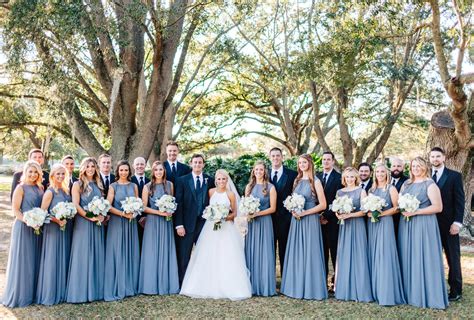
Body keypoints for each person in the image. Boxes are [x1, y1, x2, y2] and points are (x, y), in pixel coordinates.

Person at [180, 169, 252, 300]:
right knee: (208, 254)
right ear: (215, 180)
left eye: (223, 179)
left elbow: (234, 214)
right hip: (210, 228)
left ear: (227, 180)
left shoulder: (230, 194)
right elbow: (207, 208)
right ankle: (204, 284)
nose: (221, 181)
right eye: (219, 179)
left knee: (226, 255)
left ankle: (228, 286)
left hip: (226, 228)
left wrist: (223, 217)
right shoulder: (210, 192)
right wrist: (213, 215)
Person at [398, 157, 448, 309]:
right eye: (413, 166)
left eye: (419, 166)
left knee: (423, 257)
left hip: (424, 225)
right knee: (407, 256)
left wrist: (416, 211)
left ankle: (425, 294)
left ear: (425, 167)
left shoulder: (430, 184)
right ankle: (408, 293)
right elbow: (400, 203)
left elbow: (438, 207)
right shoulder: (406, 183)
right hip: (406, 225)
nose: (416, 168)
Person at [281, 155, 327, 300]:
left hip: (310, 220)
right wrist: (292, 209)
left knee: (310, 252)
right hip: (297, 220)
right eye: (300, 162)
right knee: (297, 251)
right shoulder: (297, 180)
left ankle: (311, 288)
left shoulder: (316, 181)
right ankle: (295, 286)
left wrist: (305, 212)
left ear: (310, 163)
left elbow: (323, 205)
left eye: (304, 162)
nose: (302, 164)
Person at [2, 161, 44, 308]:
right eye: (30, 172)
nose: (33, 175)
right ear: (25, 172)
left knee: (35, 259)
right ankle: (21, 295)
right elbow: (16, 210)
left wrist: (38, 220)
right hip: (24, 227)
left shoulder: (40, 187)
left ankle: (33, 293)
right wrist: (28, 221)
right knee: (23, 260)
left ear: (39, 173)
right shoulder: (20, 188)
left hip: (38, 227)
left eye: (36, 172)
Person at [66, 157, 106, 303]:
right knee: (82, 254)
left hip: (97, 224)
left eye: (93, 166)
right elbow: (76, 205)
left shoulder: (99, 184)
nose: (90, 169)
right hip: (83, 223)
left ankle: (95, 290)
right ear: (83, 168)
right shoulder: (77, 184)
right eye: (87, 166)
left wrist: (101, 215)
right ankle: (80, 291)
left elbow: (103, 203)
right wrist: (90, 216)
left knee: (96, 253)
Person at [366, 164, 405, 306]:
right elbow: (367, 208)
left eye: (382, 171)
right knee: (374, 254)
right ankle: (375, 290)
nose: (380, 174)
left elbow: (397, 207)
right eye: (377, 171)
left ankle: (386, 292)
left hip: (385, 223)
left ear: (387, 174)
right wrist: (370, 212)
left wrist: (380, 213)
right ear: (374, 173)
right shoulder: (371, 189)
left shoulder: (391, 188)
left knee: (384, 255)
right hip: (372, 224)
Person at [138, 161, 179, 295]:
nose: (159, 172)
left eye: (161, 170)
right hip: (153, 222)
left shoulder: (170, 185)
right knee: (152, 251)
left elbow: (172, 202)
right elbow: (143, 207)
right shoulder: (147, 187)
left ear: (164, 171)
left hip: (166, 222)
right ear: (153, 172)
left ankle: (166, 283)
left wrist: (169, 209)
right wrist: (159, 212)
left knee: (165, 249)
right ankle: (150, 285)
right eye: (156, 170)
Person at [429, 147, 464, 302]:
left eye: (438, 156)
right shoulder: (425, 176)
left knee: (453, 258)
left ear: (443, 158)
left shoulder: (454, 176)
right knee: (430, 258)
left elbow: (459, 201)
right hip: (428, 225)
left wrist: (457, 222)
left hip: (449, 225)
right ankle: (433, 288)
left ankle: (456, 290)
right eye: (433, 156)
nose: (435, 159)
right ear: (429, 158)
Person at [36, 164, 73, 305]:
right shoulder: (50, 192)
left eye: (63, 174)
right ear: (52, 176)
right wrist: (57, 220)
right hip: (53, 229)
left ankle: (63, 290)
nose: (60, 176)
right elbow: (42, 212)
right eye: (58, 174)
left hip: (65, 228)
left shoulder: (66, 191)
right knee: (53, 257)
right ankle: (51, 292)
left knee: (64, 256)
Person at [174, 154, 215, 284]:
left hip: (204, 224)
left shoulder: (210, 180)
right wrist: (179, 224)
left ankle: (203, 282)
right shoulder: (182, 180)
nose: (197, 165)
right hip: (186, 224)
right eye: (195, 162)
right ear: (191, 164)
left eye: (200, 162)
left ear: (203, 164)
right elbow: (178, 203)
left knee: (204, 254)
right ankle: (183, 282)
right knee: (184, 255)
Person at [334, 167, 373, 303]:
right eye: (347, 177)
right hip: (345, 227)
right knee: (344, 255)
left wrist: (349, 214)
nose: (349, 179)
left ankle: (360, 289)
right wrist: (338, 214)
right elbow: (336, 207)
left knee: (358, 255)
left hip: (357, 225)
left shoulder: (361, 191)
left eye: (352, 177)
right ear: (343, 178)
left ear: (356, 178)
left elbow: (364, 210)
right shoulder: (339, 192)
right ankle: (344, 289)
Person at [104, 160, 140, 301]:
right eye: (121, 170)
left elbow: (138, 203)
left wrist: (134, 212)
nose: (123, 172)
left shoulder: (134, 186)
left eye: (126, 170)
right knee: (117, 251)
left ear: (129, 172)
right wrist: (123, 214)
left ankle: (130, 284)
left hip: (131, 223)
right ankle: (117, 284)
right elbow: (108, 205)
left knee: (130, 251)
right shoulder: (113, 186)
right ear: (117, 171)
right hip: (117, 222)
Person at [245, 161, 277, 296]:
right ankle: (250, 285)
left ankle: (265, 286)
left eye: (261, 170)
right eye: (256, 169)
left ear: (265, 172)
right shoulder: (249, 187)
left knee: (264, 252)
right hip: (252, 224)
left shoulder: (270, 187)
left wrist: (257, 213)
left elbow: (273, 208)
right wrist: (248, 213)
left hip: (264, 222)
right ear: (253, 171)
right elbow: (245, 205)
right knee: (251, 251)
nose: (258, 172)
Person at [268, 147, 297, 276]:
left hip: (286, 218)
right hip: (268, 218)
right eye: (273, 156)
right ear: (270, 157)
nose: (275, 158)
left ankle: (286, 277)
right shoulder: (264, 173)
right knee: (269, 249)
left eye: (278, 155)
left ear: (282, 157)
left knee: (285, 248)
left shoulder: (292, 174)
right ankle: (270, 278)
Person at [316, 151, 342, 293]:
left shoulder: (339, 178)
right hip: (317, 222)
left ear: (333, 161)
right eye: (324, 159)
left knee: (334, 253)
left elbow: (338, 200)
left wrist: (326, 216)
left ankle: (336, 283)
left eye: (328, 160)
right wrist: (318, 216)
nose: (326, 162)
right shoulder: (316, 177)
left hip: (332, 222)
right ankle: (323, 283)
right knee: (321, 253)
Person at [131, 156, 150, 247]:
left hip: (147, 219)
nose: (139, 166)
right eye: (137, 164)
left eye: (142, 164)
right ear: (133, 166)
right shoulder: (129, 181)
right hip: (132, 218)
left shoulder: (150, 182)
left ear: (145, 165)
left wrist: (146, 216)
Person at [389, 157, 408, 237]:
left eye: (399, 166)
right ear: (390, 167)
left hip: (400, 219)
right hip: (384, 218)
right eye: (394, 166)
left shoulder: (408, 181)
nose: (396, 168)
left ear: (403, 168)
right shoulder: (384, 179)